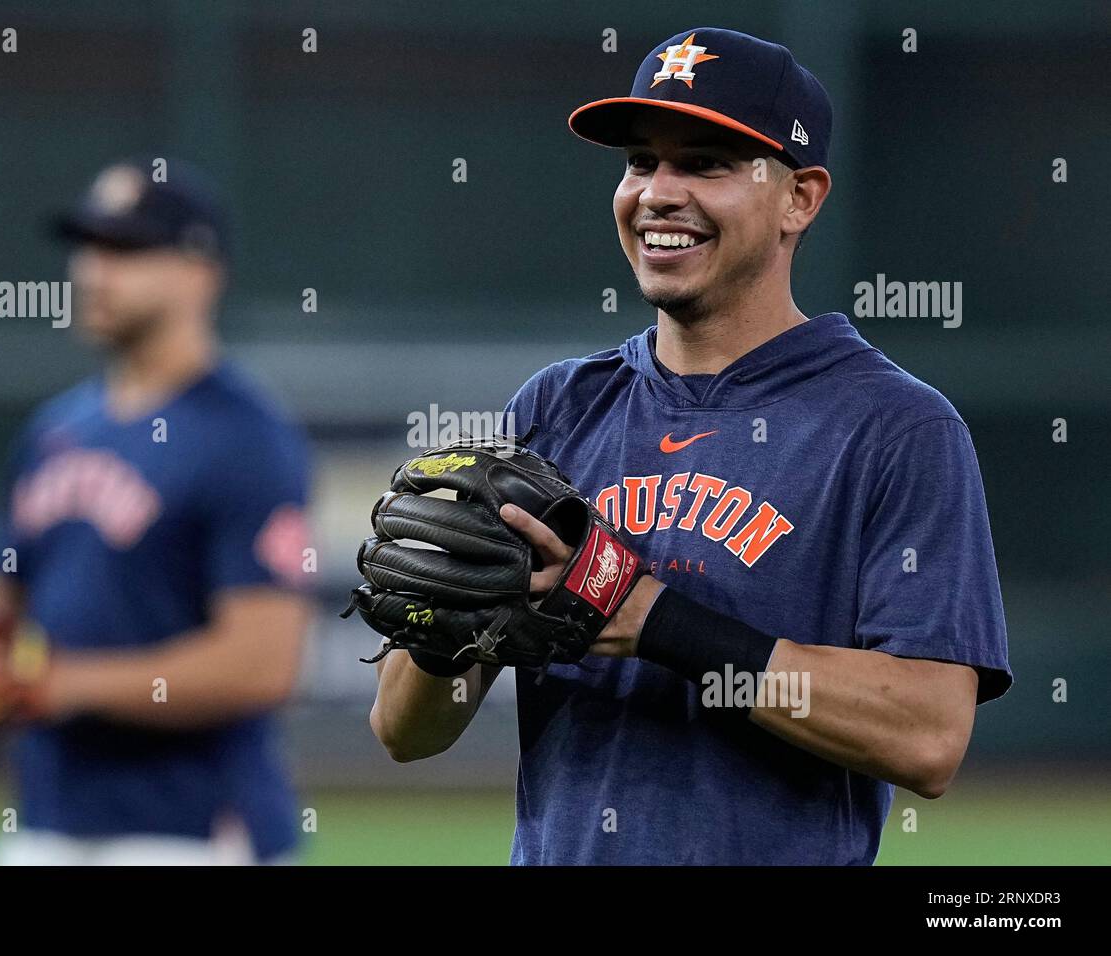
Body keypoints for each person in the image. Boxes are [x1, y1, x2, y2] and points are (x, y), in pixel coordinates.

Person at [368, 28, 1011, 865]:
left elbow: (928, 736)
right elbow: (404, 733)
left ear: (800, 198)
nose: (658, 193)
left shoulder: (896, 428)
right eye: (641, 162)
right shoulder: (558, 407)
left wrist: (654, 621)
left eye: (705, 163)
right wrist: (444, 620)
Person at [0, 158, 312, 865]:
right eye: (88, 247)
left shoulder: (247, 437)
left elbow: (262, 664)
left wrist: (65, 683)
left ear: (200, 271)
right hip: (46, 820)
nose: (94, 271)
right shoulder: (54, 429)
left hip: (191, 830)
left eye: (125, 250)